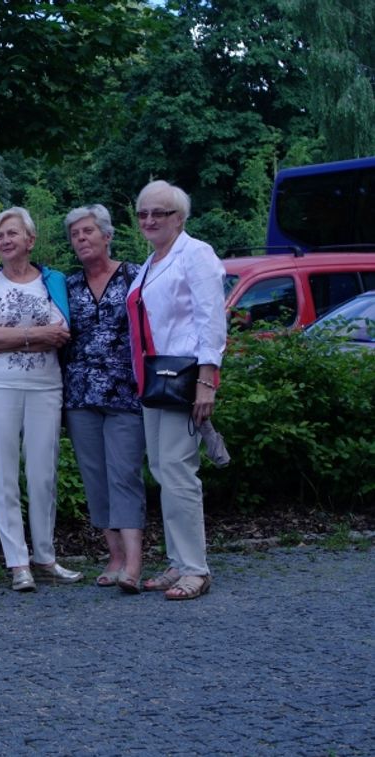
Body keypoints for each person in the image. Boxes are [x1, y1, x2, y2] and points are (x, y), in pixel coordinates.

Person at [0, 207, 82, 592]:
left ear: (30, 240)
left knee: (43, 474)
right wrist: (36, 337)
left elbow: (63, 332)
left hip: (46, 387)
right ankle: (18, 562)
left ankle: (46, 557)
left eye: (12, 234)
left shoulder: (52, 282)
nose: (5, 241)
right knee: (3, 475)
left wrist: (7, 338)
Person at [126, 180, 226, 600]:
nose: (149, 220)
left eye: (159, 213)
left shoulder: (195, 253)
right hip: (154, 381)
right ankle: (178, 560)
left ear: (179, 218)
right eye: (143, 213)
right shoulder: (152, 261)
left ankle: (195, 569)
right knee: (164, 472)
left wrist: (207, 380)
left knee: (179, 472)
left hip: (183, 379)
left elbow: (211, 320)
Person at [62, 205, 146, 594]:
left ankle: (133, 561)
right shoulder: (68, 285)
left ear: (107, 236)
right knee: (95, 477)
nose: (81, 239)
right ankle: (112, 556)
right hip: (80, 394)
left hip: (125, 391)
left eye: (87, 231)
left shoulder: (133, 276)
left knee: (124, 473)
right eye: (75, 234)